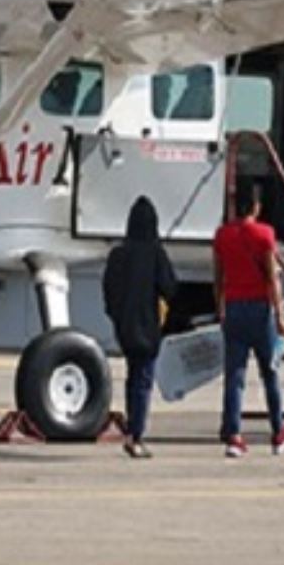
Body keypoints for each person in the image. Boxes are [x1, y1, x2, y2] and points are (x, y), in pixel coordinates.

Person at [213, 182, 284, 459]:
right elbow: (272, 278)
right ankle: (277, 430)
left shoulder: (222, 236)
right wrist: (281, 317)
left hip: (234, 308)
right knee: (270, 373)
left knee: (235, 376)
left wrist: (221, 309)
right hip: (260, 310)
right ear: (257, 207)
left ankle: (234, 435)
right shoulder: (265, 235)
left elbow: (218, 278)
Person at [103, 196, 178, 459]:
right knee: (143, 380)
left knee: (133, 376)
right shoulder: (156, 254)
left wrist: (116, 316)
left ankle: (132, 429)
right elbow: (170, 288)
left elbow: (109, 291)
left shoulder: (117, 254)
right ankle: (136, 434)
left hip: (124, 326)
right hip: (148, 327)